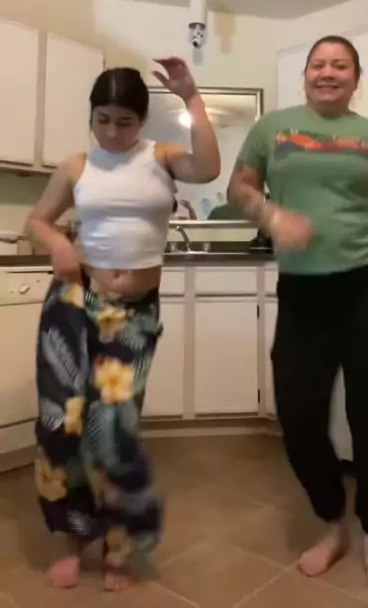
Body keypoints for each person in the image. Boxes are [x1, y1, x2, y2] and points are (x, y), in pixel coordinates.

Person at [227, 36, 368, 600]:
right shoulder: (272, 128)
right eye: (318, 64)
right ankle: (331, 522)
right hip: (304, 291)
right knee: (298, 412)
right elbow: (239, 186)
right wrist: (272, 216)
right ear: (306, 75)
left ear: (355, 78)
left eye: (340, 65)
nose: (328, 72)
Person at [26, 59, 220, 591]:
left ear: (142, 121)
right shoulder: (76, 166)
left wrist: (192, 98)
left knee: (114, 428)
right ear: (92, 115)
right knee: (61, 423)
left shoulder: (161, 157)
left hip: (133, 312)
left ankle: (119, 545)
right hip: (74, 300)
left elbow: (208, 168)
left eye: (125, 122)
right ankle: (72, 538)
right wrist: (59, 242)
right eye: (103, 120)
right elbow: (37, 220)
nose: (113, 132)